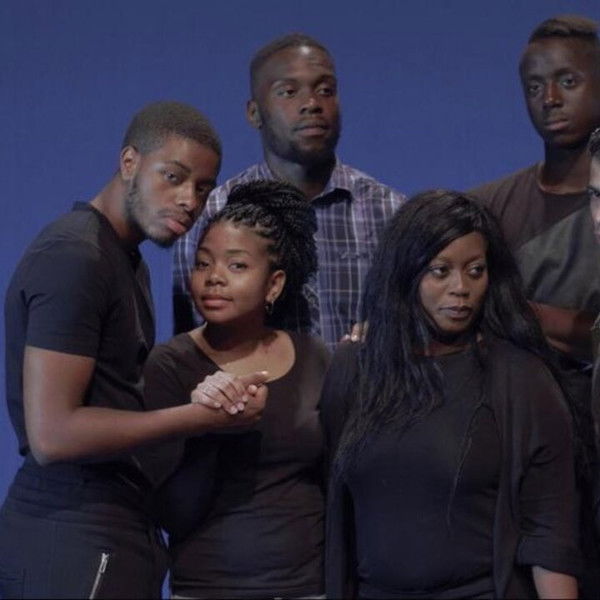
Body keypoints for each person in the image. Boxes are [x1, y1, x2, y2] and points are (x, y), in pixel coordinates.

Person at [0, 101, 268, 599]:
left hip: (110, 530)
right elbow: (52, 434)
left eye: (202, 188)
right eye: (174, 177)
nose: (188, 200)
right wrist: (198, 418)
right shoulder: (76, 257)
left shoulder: (125, 261)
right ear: (129, 163)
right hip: (72, 532)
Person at [321, 190, 581, 599]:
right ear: (406, 273)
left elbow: (550, 533)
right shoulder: (354, 367)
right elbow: (336, 508)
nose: (461, 288)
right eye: (440, 271)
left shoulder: (521, 377)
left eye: (476, 271)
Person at [142, 180, 330, 599]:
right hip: (208, 587)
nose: (214, 278)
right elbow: (170, 514)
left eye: (237, 266)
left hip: (308, 587)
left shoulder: (315, 358)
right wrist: (208, 426)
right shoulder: (169, 366)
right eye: (203, 264)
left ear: (274, 284)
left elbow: (336, 483)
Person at [470, 16, 600, 591]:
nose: (549, 99)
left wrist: (521, 315)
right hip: (524, 456)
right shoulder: (489, 208)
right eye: (534, 86)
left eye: (568, 81)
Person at [173, 33, 405, 348]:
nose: (312, 104)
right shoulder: (210, 217)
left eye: (326, 90)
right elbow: (189, 351)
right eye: (288, 92)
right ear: (254, 113)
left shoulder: (391, 213)